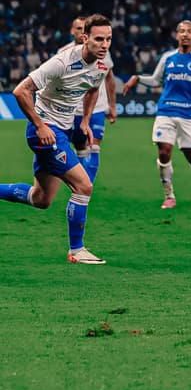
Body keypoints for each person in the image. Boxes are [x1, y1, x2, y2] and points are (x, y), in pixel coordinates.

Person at [0, 15, 114, 264]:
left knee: (41, 199)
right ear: (85, 38)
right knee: (84, 186)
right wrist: (39, 125)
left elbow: (93, 88)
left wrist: (84, 120)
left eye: (108, 39)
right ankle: (77, 250)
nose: (104, 44)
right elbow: (21, 91)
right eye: (98, 39)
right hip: (46, 132)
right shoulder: (62, 62)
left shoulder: (102, 66)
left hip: (61, 129)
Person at [122, 20, 191, 209]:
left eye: (189, 32)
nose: (185, 35)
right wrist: (138, 78)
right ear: (176, 35)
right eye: (181, 31)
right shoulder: (168, 58)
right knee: (164, 152)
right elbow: (155, 80)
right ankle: (169, 196)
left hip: (188, 116)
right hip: (165, 111)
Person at [58, 15, 118, 184]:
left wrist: (112, 105)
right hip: (73, 110)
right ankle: (81, 183)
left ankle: (86, 186)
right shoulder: (64, 53)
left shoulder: (102, 51)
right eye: (78, 28)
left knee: (94, 146)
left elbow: (109, 79)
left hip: (97, 108)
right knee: (81, 148)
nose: (80, 31)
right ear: (73, 31)